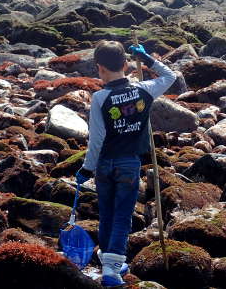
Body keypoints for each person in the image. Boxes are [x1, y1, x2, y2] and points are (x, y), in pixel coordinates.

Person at [75, 41, 176, 287]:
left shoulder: (100, 98)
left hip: (104, 166)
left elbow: (96, 140)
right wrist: (148, 59)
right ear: (126, 64)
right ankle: (111, 266)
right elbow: (170, 76)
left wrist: (86, 169)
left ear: (99, 68)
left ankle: (109, 260)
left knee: (107, 214)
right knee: (122, 216)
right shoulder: (144, 90)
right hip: (129, 165)